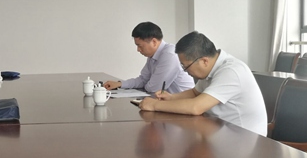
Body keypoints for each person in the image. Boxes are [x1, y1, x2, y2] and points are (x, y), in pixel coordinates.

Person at [139, 31, 267, 135]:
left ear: (204, 61)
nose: (185, 71)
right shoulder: (211, 68)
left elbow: (196, 107)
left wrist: (154, 105)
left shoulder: (231, 71)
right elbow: (195, 93)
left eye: (186, 66)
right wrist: (171, 97)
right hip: (219, 130)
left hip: (243, 139)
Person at [104, 22, 194, 94]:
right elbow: (143, 79)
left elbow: (155, 88)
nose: (138, 50)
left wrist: (146, 84)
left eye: (140, 46)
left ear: (154, 42)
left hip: (183, 104)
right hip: (166, 102)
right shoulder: (153, 56)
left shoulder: (170, 55)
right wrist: (120, 84)